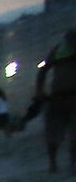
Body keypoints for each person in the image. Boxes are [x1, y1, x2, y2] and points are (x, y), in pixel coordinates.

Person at [34, 28, 76, 173]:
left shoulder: (58, 50)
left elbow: (42, 72)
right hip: (58, 97)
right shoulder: (58, 50)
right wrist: (40, 91)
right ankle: (53, 163)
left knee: (70, 132)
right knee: (53, 133)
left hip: (64, 96)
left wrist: (40, 90)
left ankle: (70, 162)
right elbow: (43, 72)